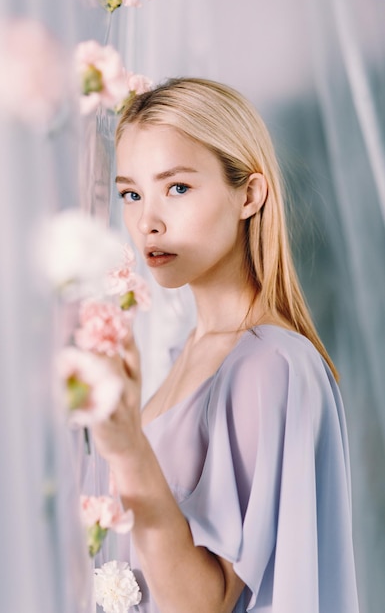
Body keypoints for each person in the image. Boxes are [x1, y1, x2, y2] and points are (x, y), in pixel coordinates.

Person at [92, 78, 359, 613]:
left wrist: (126, 447)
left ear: (249, 194)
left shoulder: (267, 363)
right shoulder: (189, 352)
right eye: (131, 193)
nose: (148, 221)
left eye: (178, 188)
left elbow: (204, 602)